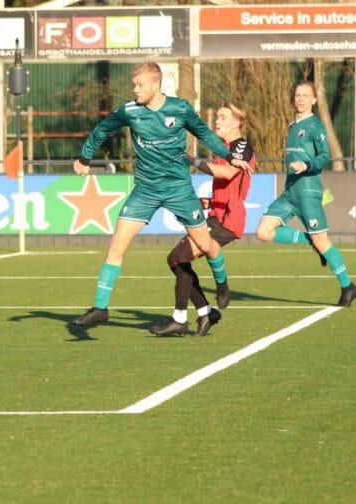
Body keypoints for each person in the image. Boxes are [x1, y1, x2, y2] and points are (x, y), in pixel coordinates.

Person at [71, 62, 253, 328]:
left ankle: (221, 281)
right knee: (116, 245)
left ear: (156, 85)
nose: (135, 89)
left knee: (206, 245)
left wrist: (228, 156)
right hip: (145, 190)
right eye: (134, 84)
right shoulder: (130, 111)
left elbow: (204, 134)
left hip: (179, 189)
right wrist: (84, 157)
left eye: (140, 85)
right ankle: (100, 308)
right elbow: (101, 130)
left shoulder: (179, 108)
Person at [149, 102, 256, 337]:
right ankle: (206, 312)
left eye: (223, 117)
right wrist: (211, 200)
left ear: (238, 122)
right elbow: (227, 185)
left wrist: (192, 159)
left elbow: (228, 173)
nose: (217, 121)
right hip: (216, 214)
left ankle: (188, 311)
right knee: (175, 259)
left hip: (229, 219)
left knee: (180, 257)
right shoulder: (224, 148)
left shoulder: (242, 146)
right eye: (217, 117)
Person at [256, 80, 356, 307]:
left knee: (322, 240)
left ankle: (348, 286)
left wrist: (307, 165)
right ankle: (309, 240)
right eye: (297, 95)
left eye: (305, 95)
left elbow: (325, 156)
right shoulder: (292, 126)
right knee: (263, 232)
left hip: (308, 192)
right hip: (290, 193)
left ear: (313, 100)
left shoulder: (314, 125)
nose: (300, 99)